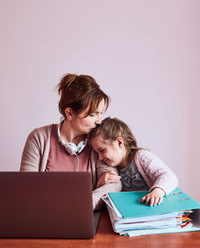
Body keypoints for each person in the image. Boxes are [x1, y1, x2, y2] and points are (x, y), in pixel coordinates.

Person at [20, 74, 121, 210]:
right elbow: (25, 188)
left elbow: (114, 185)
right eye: (92, 115)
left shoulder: (99, 142)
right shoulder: (38, 138)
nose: (99, 121)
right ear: (69, 113)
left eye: (100, 113)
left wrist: (82, 204)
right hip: (45, 217)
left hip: (85, 217)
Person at [89, 117, 178, 206]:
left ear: (119, 143)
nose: (100, 158)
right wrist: (100, 183)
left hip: (151, 207)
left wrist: (157, 192)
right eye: (97, 153)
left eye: (102, 150)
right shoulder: (113, 167)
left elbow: (168, 176)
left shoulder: (141, 156)